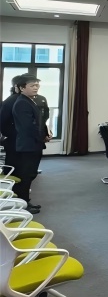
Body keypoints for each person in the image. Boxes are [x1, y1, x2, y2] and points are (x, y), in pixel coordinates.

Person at [12, 75, 49, 213]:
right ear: (22, 88)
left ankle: (25, 201)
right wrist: (42, 137)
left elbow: (38, 122)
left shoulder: (29, 100)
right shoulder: (22, 103)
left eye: (37, 85)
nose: (35, 88)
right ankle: (23, 204)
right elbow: (29, 127)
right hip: (28, 145)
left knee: (30, 174)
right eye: (32, 85)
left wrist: (44, 134)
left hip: (32, 143)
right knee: (26, 175)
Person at [0, 74, 27, 183]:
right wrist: (8, 134)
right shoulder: (13, 100)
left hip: (19, 137)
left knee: (19, 164)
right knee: (14, 164)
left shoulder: (26, 100)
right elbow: (3, 120)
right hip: (14, 138)